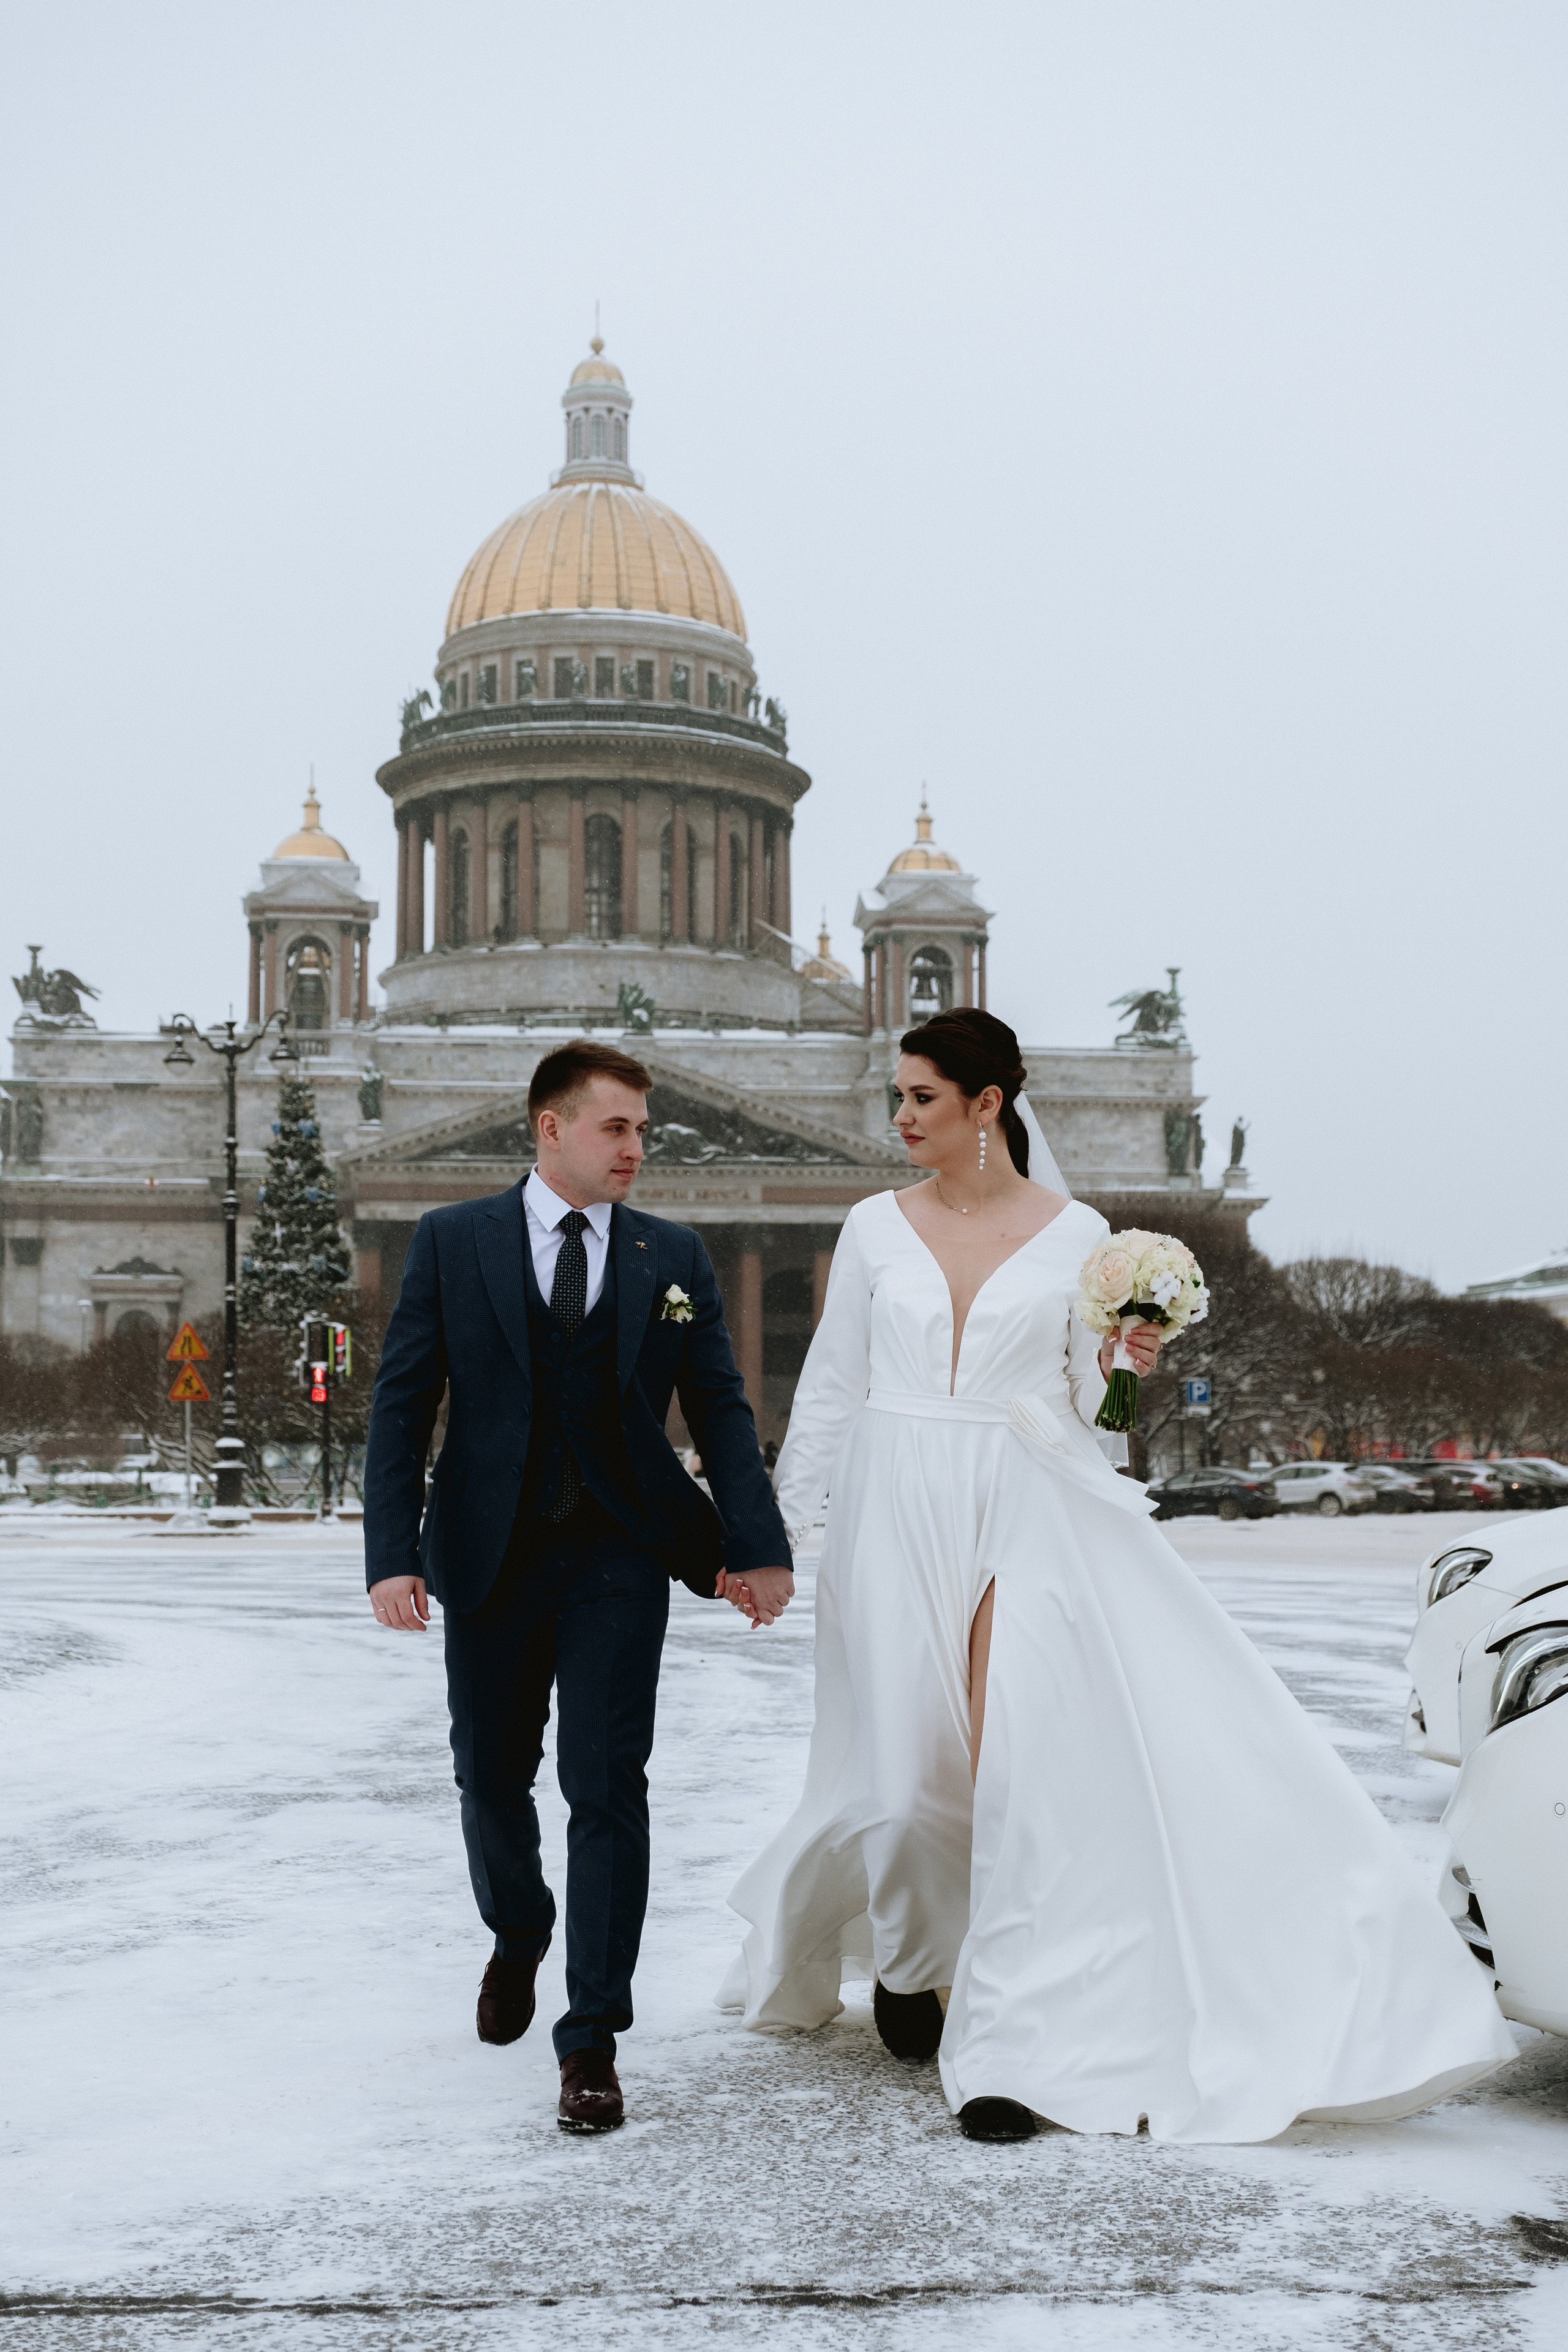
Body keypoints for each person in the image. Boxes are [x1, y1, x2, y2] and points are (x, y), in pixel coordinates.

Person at [718, 1008, 1514, 2144]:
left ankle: (1008, 2041)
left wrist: (1123, 1361)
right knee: (905, 1788)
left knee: (1019, 1774)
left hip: (1025, 1499)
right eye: (897, 1096)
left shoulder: (1079, 1234)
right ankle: (913, 1958)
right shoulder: (871, 1226)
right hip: (892, 1504)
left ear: (988, 1105)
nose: (899, 1116)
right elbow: (834, 1387)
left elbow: (1095, 1410)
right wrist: (782, 1534)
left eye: (921, 1097)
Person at [363, 1038, 793, 2133]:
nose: (637, 1147)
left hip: (620, 1554)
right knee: (489, 1777)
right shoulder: (453, 1239)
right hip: (491, 1553)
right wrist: (393, 1553)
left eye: (643, 1129)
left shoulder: (673, 1253)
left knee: (607, 1787)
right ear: (551, 1128)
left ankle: (591, 2037)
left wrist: (757, 1543)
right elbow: (403, 1405)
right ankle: (519, 1929)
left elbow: (721, 1407)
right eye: (617, 1127)